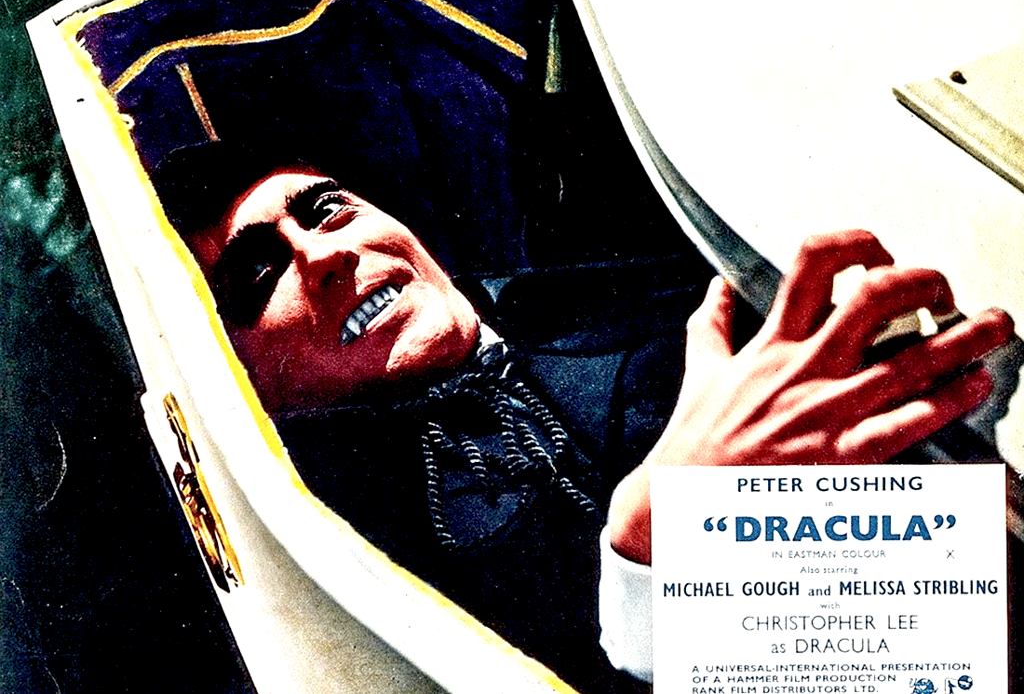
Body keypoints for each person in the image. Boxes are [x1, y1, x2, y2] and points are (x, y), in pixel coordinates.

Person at [158, 147, 1014, 691]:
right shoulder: (332, 571)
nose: (324, 253)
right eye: (257, 276)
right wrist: (667, 554)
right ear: (234, 376)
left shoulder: (670, 280)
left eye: (326, 208)